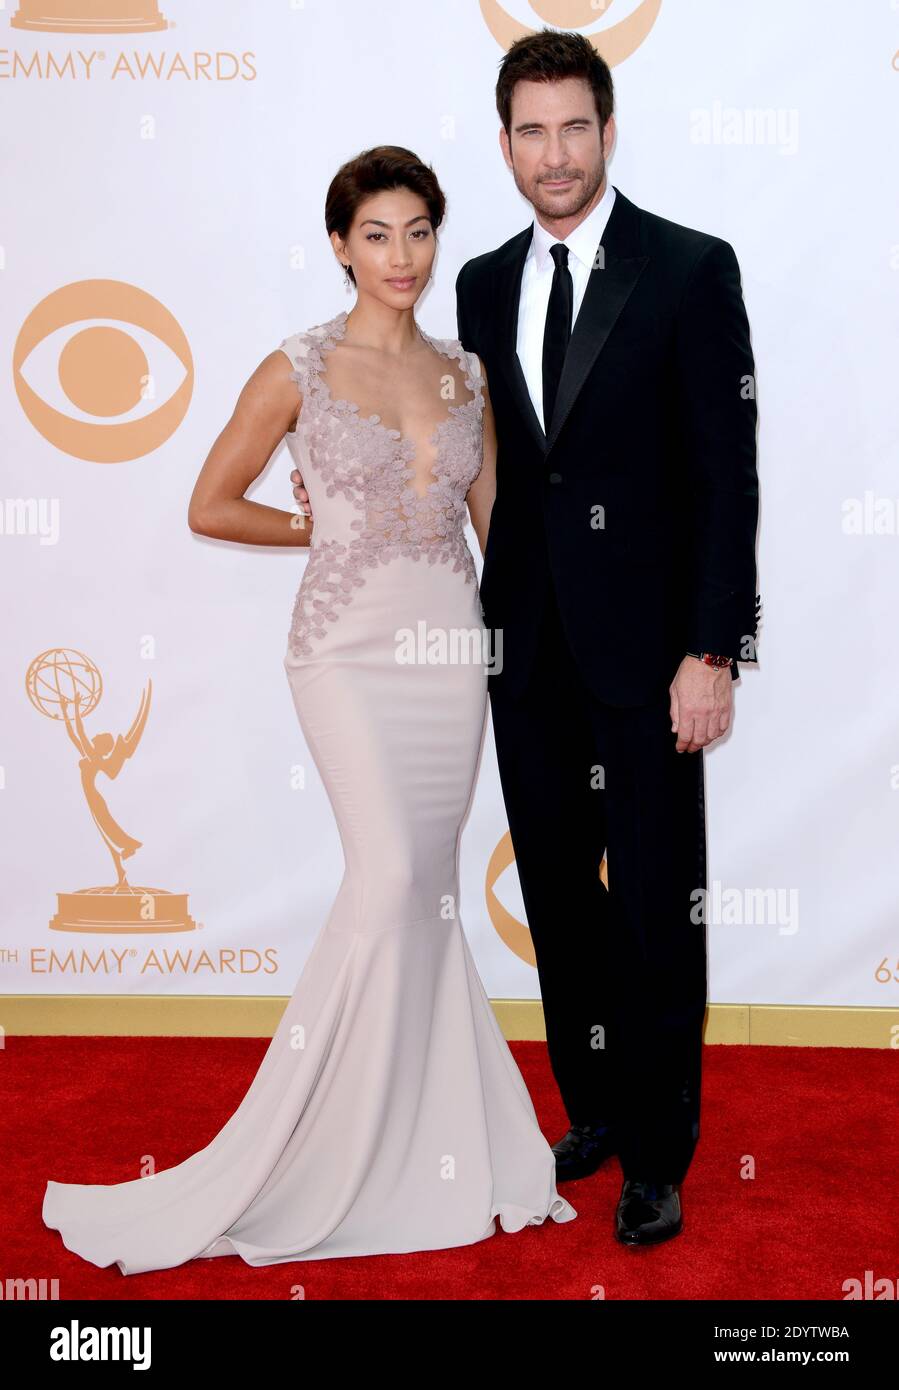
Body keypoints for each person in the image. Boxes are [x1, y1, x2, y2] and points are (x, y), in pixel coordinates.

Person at [41, 145, 576, 1275]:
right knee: (387, 878)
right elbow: (210, 502)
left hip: (448, 657)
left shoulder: (468, 374)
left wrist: (547, 649)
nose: (400, 255)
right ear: (339, 245)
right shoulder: (299, 365)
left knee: (422, 895)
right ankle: (310, 1150)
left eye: (418, 231)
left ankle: (426, 1142)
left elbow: (499, 536)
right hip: (344, 648)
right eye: (375, 234)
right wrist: (318, 532)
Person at [294, 31, 761, 1250]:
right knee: (558, 897)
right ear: (504, 145)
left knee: (659, 905)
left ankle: (660, 1154)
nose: (552, 154)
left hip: (656, 658)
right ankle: (596, 1104)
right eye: (529, 131)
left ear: (607, 133)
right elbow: (503, 471)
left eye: (573, 127)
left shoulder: (687, 269)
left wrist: (711, 650)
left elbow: (727, 477)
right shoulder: (484, 283)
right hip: (525, 651)